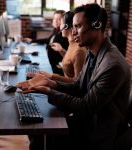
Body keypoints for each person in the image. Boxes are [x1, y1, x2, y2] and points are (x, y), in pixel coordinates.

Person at [17, 3, 131, 150]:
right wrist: (51, 83)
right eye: (73, 26)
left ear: (97, 26)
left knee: (41, 139)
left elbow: (85, 107)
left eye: (78, 26)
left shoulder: (112, 64)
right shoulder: (93, 52)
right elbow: (78, 86)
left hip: (98, 133)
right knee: (38, 130)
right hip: (88, 122)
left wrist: (48, 91)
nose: (73, 31)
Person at [27, 11, 86, 83]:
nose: (60, 26)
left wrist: (51, 77)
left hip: (68, 90)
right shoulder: (72, 44)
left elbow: (77, 83)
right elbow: (70, 60)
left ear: (66, 26)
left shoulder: (78, 50)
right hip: (64, 85)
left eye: (61, 23)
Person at [24, 10, 69, 75]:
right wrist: (32, 40)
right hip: (50, 61)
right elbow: (48, 40)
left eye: (58, 19)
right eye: (54, 19)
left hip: (55, 65)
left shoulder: (63, 34)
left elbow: (53, 46)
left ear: (63, 22)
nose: (55, 21)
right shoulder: (56, 31)